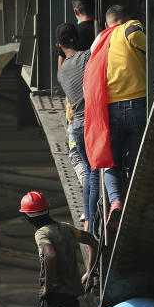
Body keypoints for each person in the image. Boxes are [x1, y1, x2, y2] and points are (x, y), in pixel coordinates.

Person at [83, 5, 147, 242]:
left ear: (108, 23)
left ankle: (116, 202)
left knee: (111, 162)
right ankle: (135, 197)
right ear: (124, 19)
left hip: (109, 110)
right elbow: (145, 43)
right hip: (137, 104)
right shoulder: (130, 28)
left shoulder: (99, 41)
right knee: (138, 157)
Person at [56, 23, 98, 230]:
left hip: (78, 127)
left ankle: (89, 218)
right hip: (94, 123)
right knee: (100, 169)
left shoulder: (61, 72)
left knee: (89, 171)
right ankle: (101, 210)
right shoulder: (88, 56)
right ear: (78, 39)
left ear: (58, 45)